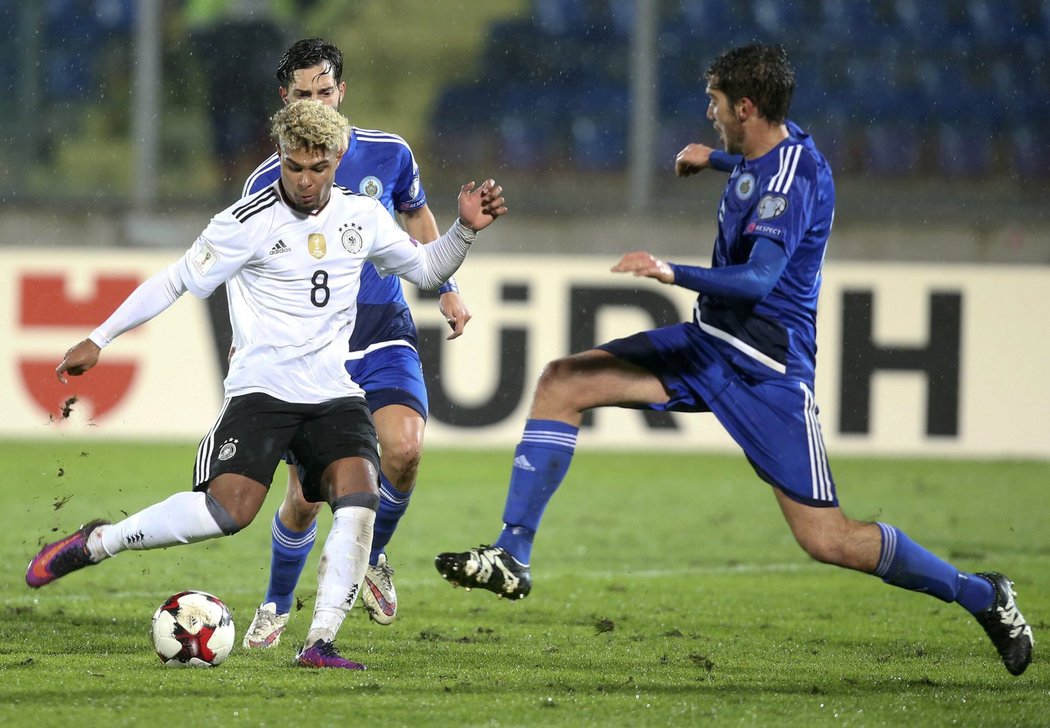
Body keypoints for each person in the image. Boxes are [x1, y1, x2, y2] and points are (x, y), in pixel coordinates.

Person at [434, 43, 1033, 677]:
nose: (709, 112)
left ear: (745, 106)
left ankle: (983, 595)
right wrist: (713, 157)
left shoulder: (790, 178)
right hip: (708, 345)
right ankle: (513, 555)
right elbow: (761, 168)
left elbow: (757, 280)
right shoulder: (771, 146)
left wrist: (670, 270)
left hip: (765, 370)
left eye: (716, 104)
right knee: (562, 382)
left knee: (827, 539)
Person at [26, 100, 507, 670]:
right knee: (230, 513)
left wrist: (464, 232)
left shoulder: (364, 216)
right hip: (262, 391)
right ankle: (99, 542)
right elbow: (174, 281)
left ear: (336, 160)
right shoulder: (246, 222)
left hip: (333, 390)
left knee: (359, 494)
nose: (305, 181)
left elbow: (427, 271)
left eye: (318, 167)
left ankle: (320, 643)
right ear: (280, 158)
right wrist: (99, 338)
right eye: (293, 166)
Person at [237, 38, 473, 650]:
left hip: (382, 325)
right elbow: (250, 267)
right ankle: (277, 601)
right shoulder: (267, 180)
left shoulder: (389, 153)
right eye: (302, 94)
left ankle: (372, 555)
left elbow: (417, 219)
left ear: (341, 93)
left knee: (405, 450)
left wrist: (444, 286)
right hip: (314, 348)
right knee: (306, 498)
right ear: (284, 100)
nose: (315, 103)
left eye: (324, 92)